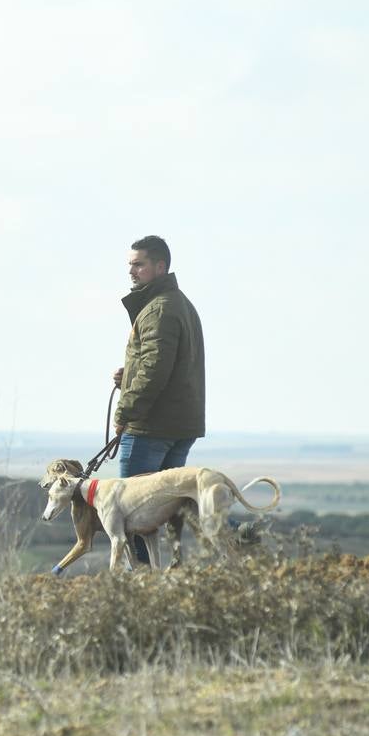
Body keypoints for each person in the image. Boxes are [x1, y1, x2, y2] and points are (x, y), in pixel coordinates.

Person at [111, 235, 205, 565]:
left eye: (139, 265)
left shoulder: (160, 309)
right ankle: (236, 533)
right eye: (131, 265)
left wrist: (125, 410)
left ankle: (143, 581)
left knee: (133, 513)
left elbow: (154, 369)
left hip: (152, 427)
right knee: (174, 503)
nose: (132, 271)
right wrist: (129, 374)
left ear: (160, 266)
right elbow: (162, 364)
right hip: (179, 423)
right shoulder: (176, 303)